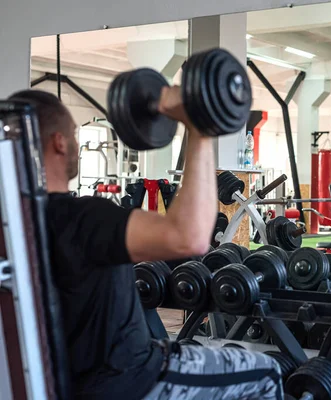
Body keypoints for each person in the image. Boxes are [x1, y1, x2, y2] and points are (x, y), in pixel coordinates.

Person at [8, 89, 283, 400]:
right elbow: (190, 237)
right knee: (265, 372)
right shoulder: (82, 218)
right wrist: (200, 128)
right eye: (73, 134)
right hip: (132, 380)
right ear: (59, 141)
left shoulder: (12, 227)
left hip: (60, 386)